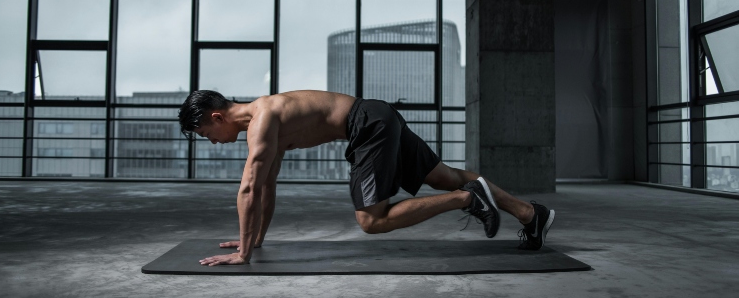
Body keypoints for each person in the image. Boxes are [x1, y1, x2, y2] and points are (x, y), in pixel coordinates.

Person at [178, 90, 555, 266]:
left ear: (216, 117)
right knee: (445, 175)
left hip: (367, 125)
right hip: (377, 115)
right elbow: (266, 185)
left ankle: (467, 199)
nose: (212, 142)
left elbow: (248, 188)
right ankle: (529, 214)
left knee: (372, 220)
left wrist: (243, 255)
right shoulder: (265, 119)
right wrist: (255, 240)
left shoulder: (262, 121)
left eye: (206, 135)